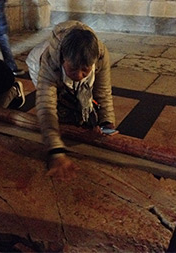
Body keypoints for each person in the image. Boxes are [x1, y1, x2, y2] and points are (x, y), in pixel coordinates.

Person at [27, 20, 116, 182]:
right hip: (36, 64)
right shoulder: (48, 61)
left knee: (84, 109)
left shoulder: (101, 54)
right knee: (62, 111)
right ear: (62, 60)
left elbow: (102, 92)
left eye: (85, 70)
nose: (80, 75)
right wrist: (56, 151)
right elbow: (46, 106)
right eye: (73, 69)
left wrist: (107, 122)